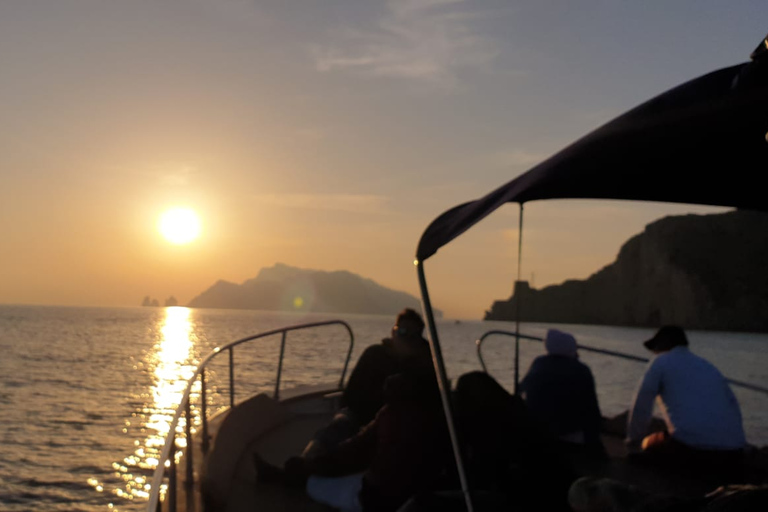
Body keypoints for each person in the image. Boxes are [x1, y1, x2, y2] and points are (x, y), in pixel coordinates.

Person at [256, 371, 451, 512]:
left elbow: (352, 453)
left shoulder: (393, 415)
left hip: (376, 499)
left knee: (314, 482)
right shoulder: (445, 419)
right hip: (422, 491)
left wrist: (308, 466)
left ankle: (277, 476)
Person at [302, 308, 434, 461]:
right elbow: (350, 395)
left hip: (393, 424)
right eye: (402, 331)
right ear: (393, 332)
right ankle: (305, 461)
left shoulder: (426, 365)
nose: (406, 338)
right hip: (359, 416)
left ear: (420, 338)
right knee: (335, 429)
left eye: (413, 334)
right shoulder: (374, 354)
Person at [626, 325, 746, 485]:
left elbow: (642, 404)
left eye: (655, 348)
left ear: (663, 345)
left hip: (691, 450)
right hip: (733, 454)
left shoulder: (661, 362)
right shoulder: (708, 367)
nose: (653, 353)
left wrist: (633, 444)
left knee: (648, 443)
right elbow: (733, 406)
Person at [519, 329, 606, 461]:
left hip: (537, 432)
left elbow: (520, 390)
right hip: (569, 437)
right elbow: (592, 409)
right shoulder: (582, 370)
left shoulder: (538, 363)